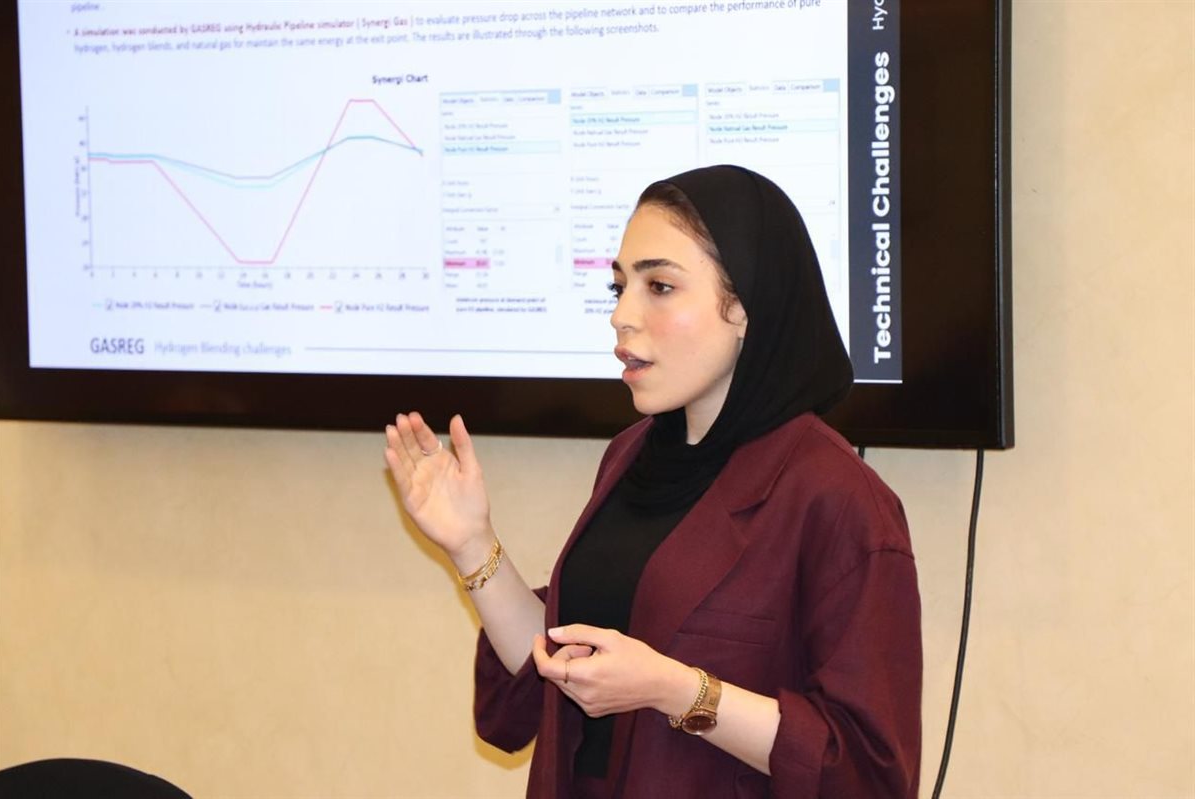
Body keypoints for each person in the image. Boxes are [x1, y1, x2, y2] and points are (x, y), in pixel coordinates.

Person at [384, 164, 921, 798]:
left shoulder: (837, 497)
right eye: (619, 287)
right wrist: (471, 543)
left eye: (659, 286)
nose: (621, 315)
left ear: (745, 306)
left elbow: (867, 772)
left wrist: (676, 689)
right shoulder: (629, 456)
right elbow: (555, 664)